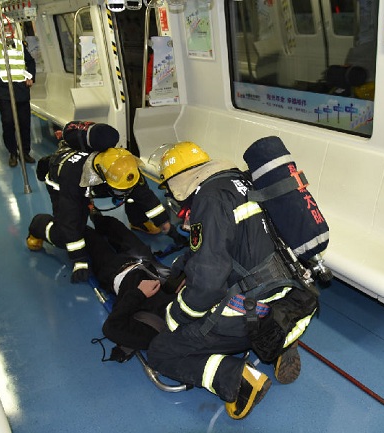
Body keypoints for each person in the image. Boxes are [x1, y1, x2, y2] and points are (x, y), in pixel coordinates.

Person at [146, 142, 308, 420]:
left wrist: (178, 314)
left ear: (177, 183)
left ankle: (239, 379)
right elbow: (239, 241)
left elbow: (209, 284)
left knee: (161, 352)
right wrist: (186, 262)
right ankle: (281, 339)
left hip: (246, 314)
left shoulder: (208, 200)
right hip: (289, 296)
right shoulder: (242, 181)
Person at [26, 135, 180, 284]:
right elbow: (69, 222)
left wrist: (166, 226)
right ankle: (37, 225)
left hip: (99, 180)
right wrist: (79, 260)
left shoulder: (124, 166)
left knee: (136, 194)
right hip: (64, 184)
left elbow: (146, 198)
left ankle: (138, 222)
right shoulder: (72, 180)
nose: (123, 193)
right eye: (120, 191)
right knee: (65, 233)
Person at [84, 212, 184, 354]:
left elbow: (111, 328)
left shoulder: (153, 334)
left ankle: (43, 224)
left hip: (116, 271)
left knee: (87, 236)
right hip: (145, 260)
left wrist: (139, 294)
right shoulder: (199, 306)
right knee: (113, 225)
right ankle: (93, 213)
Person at [0, 19, 36, 167]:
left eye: (8, 26)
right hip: (2, 89)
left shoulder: (19, 44)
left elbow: (30, 62)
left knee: (25, 122)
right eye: (4, 26)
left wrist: (31, 77)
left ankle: (25, 151)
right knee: (8, 122)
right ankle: (12, 152)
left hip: (21, 89)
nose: (7, 29)